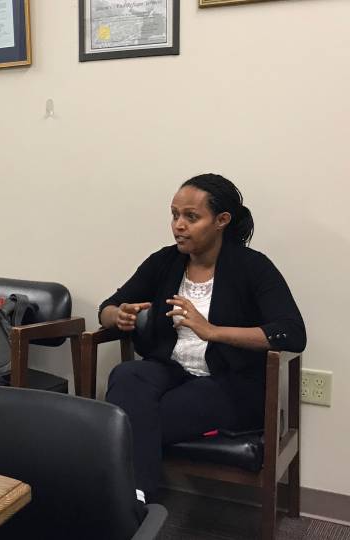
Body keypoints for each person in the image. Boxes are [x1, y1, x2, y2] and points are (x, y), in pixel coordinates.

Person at [99, 173, 306, 501]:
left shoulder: (252, 267)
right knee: (127, 375)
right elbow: (107, 308)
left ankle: (133, 498)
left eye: (191, 217)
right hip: (172, 371)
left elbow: (291, 332)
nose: (178, 225)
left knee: (129, 418)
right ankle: (135, 499)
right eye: (174, 215)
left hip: (230, 382)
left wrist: (212, 331)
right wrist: (118, 314)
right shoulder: (165, 261)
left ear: (222, 220)